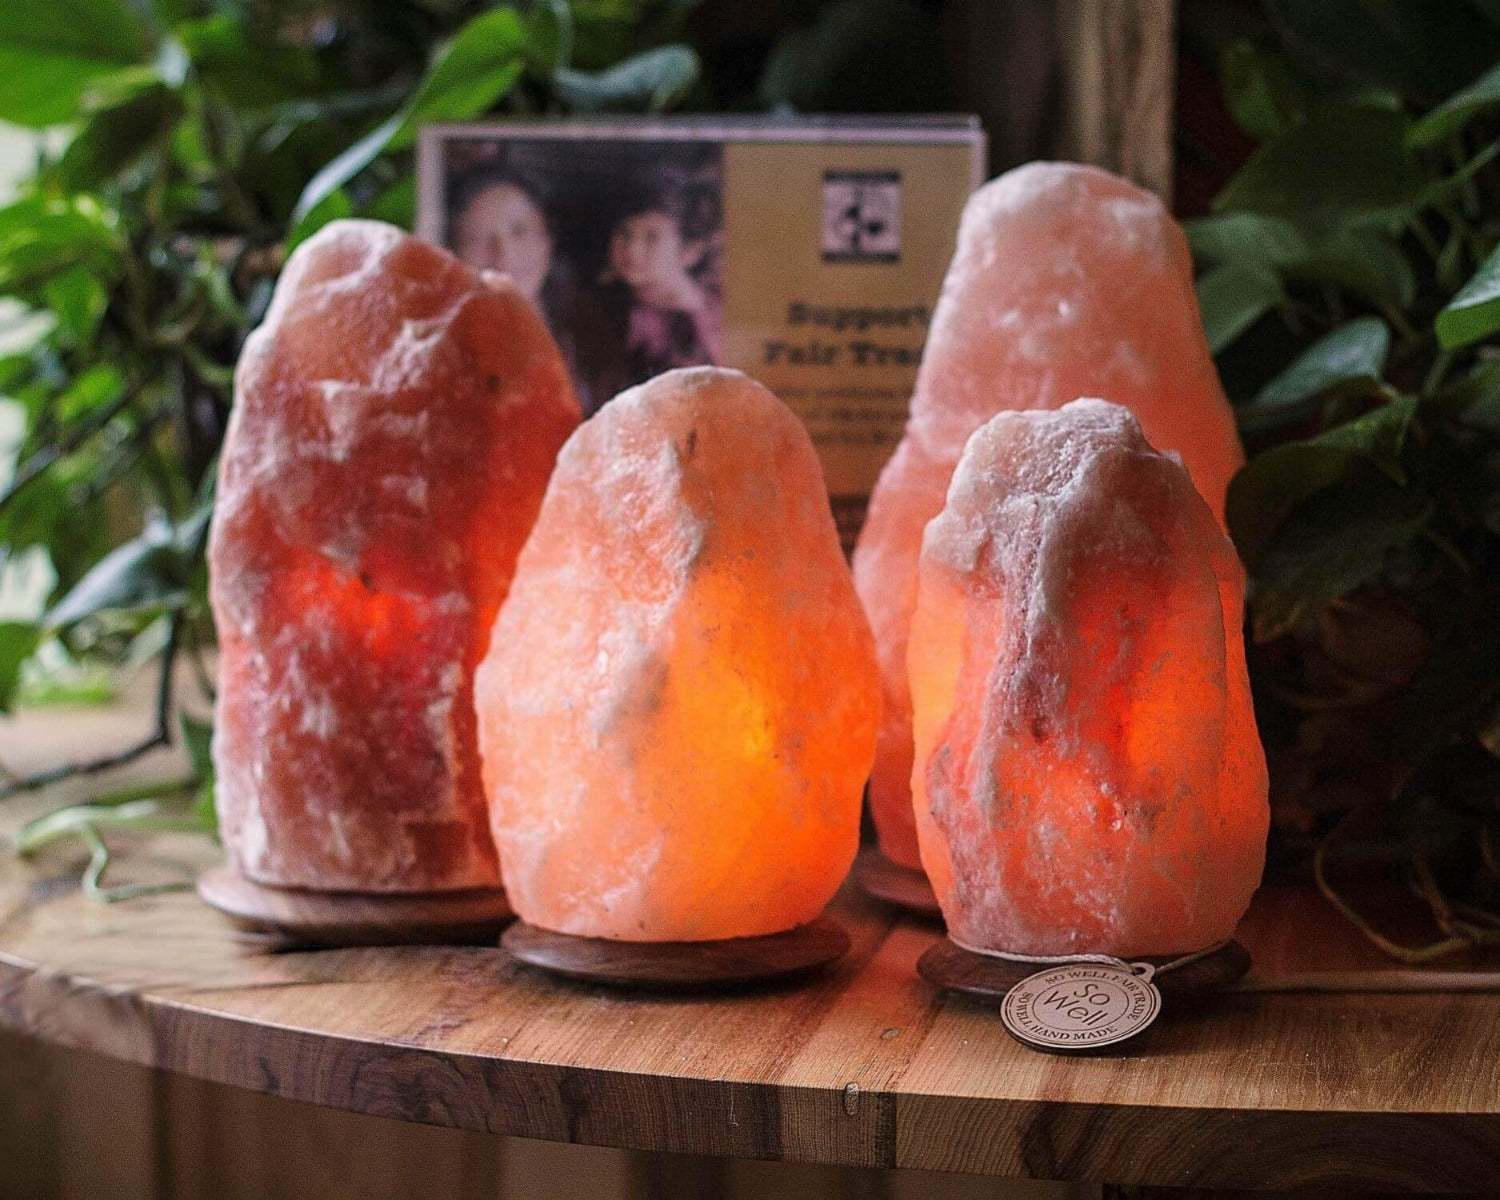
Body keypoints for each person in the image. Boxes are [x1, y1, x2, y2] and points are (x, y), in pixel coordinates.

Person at [576, 168, 723, 414]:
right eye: (624, 233)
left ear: (690, 251)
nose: (632, 250)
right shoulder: (605, 309)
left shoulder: (719, 314)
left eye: (652, 237)